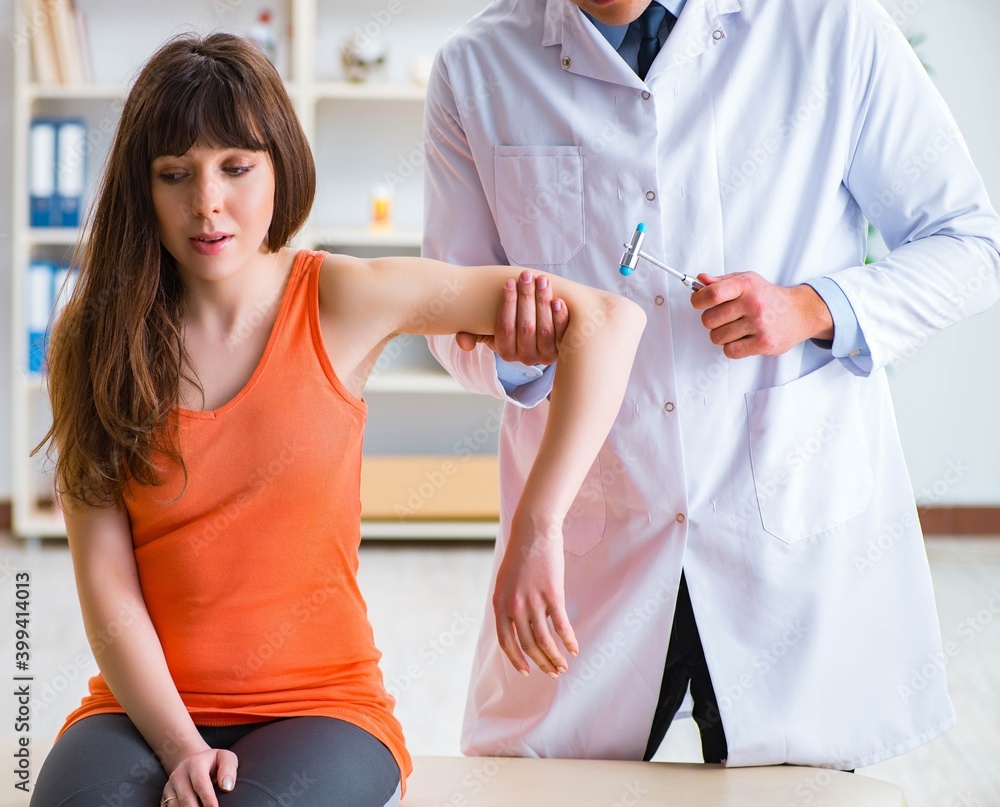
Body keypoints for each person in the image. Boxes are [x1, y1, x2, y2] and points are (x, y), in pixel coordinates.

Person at [31, 33, 646, 807]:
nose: (207, 202)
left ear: (280, 165)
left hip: (322, 704)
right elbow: (105, 585)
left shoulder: (340, 298)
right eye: (174, 174)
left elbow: (607, 321)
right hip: (141, 707)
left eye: (236, 166)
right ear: (141, 187)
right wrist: (181, 745)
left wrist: (540, 524)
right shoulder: (87, 336)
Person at [423, 0, 1000, 770]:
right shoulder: (478, 65)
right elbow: (445, 312)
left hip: (785, 535)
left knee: (792, 782)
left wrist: (813, 307)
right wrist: (511, 351)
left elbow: (970, 245)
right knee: (553, 785)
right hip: (595, 534)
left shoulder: (831, 27)